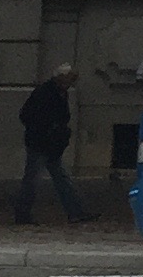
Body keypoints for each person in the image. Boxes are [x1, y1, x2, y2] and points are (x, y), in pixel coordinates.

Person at [15, 61, 90, 225]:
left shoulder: (57, 92)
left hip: (48, 143)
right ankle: (23, 214)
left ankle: (75, 211)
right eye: (70, 79)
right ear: (61, 78)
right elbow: (28, 115)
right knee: (35, 180)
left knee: (56, 179)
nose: (70, 83)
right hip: (41, 142)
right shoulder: (46, 93)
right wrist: (48, 128)